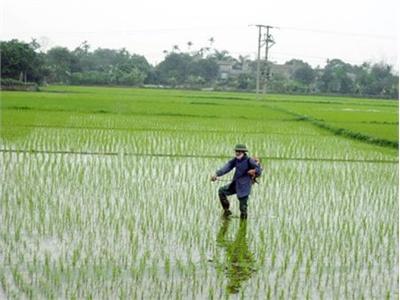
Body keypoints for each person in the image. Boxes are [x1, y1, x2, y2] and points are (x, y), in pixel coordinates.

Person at [211, 144, 262, 219]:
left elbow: (259, 169)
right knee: (222, 191)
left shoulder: (249, 160)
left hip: (244, 186)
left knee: (243, 208)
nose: (237, 153)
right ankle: (226, 210)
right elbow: (227, 167)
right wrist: (216, 174)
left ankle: (243, 223)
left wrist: (254, 170)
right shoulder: (235, 160)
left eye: (239, 151)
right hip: (235, 184)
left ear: (243, 152)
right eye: (236, 151)